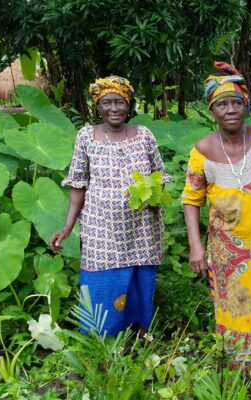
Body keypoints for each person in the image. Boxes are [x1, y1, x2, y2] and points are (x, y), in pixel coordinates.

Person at [182, 62, 251, 370]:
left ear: (245, 105)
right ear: (212, 110)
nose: (230, 109)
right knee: (235, 308)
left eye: (236, 102)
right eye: (222, 104)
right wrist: (195, 245)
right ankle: (239, 369)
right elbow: (191, 200)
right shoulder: (202, 150)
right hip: (226, 253)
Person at [50, 76, 171, 337]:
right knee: (102, 279)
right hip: (101, 227)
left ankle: (139, 332)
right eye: (107, 103)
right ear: (98, 107)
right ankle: (101, 337)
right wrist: (67, 227)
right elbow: (78, 185)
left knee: (140, 277)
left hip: (142, 227)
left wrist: (153, 196)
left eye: (119, 102)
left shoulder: (144, 136)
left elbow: (160, 174)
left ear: (129, 106)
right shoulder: (86, 137)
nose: (114, 108)